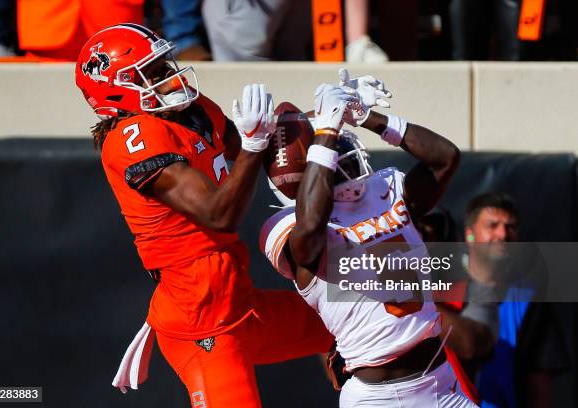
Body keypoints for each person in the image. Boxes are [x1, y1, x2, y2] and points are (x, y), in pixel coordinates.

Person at [74, 23, 334, 407]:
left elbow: (257, 148)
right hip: (203, 325)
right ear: (116, 89)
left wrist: (328, 120)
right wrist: (254, 143)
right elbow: (219, 214)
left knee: (356, 326)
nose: (170, 75)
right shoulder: (131, 140)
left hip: (240, 304)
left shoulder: (193, 111)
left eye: (165, 62)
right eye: (154, 72)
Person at [260, 69, 476, 407]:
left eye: (341, 143)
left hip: (439, 381)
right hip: (377, 397)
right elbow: (311, 232)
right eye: (333, 150)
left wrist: (365, 116)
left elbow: (444, 157)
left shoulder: (384, 190)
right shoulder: (290, 227)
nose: (343, 151)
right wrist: (327, 131)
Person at [460, 192, 567, 408]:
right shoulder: (439, 292)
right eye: (492, 225)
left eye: (510, 227)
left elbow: (538, 383)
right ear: (470, 235)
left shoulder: (530, 301)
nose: (502, 234)